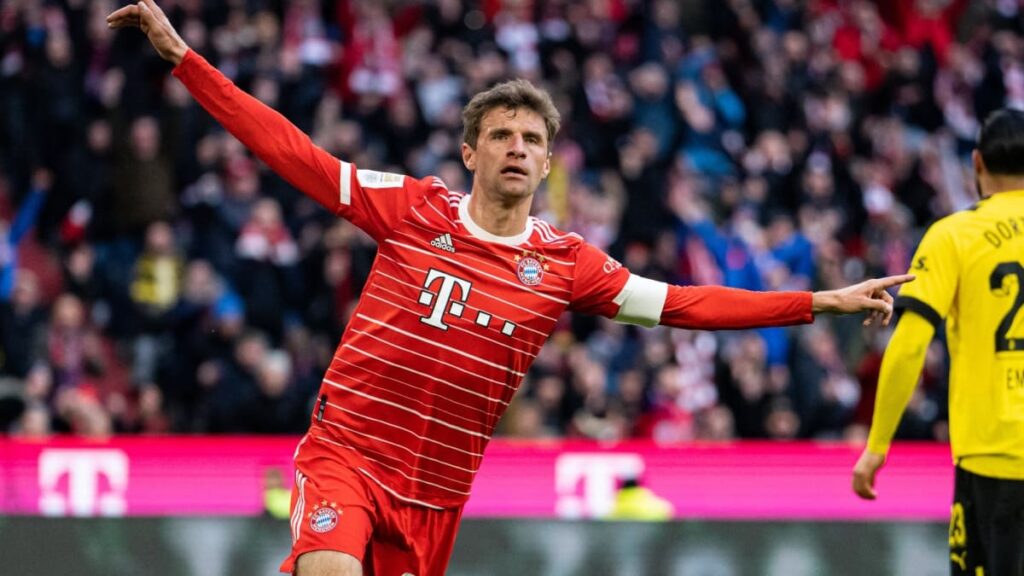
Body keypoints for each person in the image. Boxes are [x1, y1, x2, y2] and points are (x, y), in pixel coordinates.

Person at [108, 2, 912, 574]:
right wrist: (186, 60)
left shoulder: (568, 264)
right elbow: (293, 153)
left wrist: (821, 302)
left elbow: (682, 304)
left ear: (550, 162)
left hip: (438, 494)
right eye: (501, 136)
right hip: (348, 454)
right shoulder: (415, 207)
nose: (517, 149)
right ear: (470, 152)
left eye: (533, 139)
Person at [852, 109, 1024, 576]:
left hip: (994, 455)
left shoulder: (953, 236)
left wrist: (877, 445)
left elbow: (910, 346)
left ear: (977, 164)